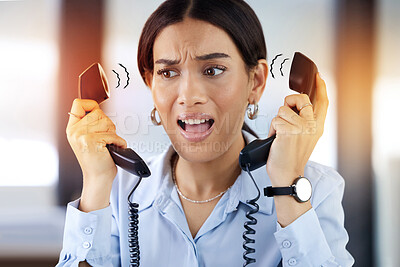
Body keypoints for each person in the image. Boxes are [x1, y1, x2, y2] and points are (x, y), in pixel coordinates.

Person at [57, 0, 354, 266]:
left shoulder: (316, 189)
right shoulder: (116, 192)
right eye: (168, 73)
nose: (188, 95)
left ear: (257, 82)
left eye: (212, 70)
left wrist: (289, 186)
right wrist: (95, 183)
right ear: (150, 84)